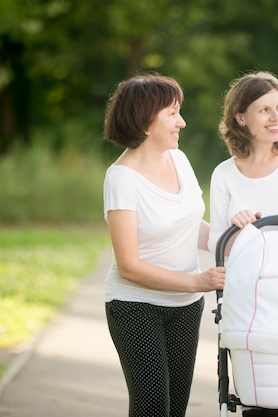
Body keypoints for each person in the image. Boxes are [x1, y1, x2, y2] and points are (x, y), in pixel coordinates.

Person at [102, 73, 225, 417]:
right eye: (172, 113)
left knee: (176, 410)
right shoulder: (121, 179)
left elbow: (189, 226)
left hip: (185, 307)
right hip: (136, 307)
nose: (181, 122)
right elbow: (129, 266)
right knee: (153, 408)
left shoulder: (179, 160)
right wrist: (197, 282)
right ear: (145, 121)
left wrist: (235, 239)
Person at [208, 71, 278, 417]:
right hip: (247, 298)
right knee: (254, 396)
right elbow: (216, 242)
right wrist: (234, 228)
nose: (277, 118)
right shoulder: (223, 174)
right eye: (265, 110)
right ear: (240, 117)